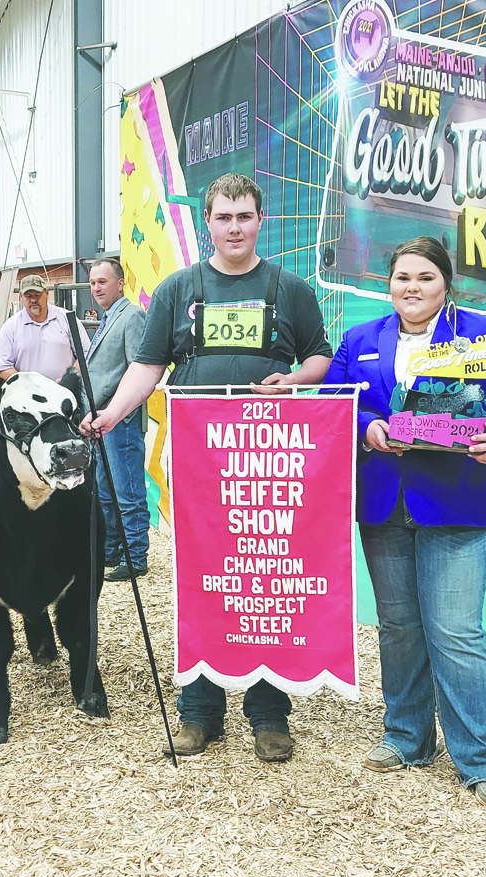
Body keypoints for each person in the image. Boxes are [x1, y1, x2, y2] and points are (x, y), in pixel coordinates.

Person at [81, 173, 333, 762]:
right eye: (224, 218)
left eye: (244, 217)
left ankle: (270, 714)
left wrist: (293, 379)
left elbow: (321, 354)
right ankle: (199, 712)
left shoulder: (290, 288)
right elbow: (147, 367)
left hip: (269, 461)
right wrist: (113, 414)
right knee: (201, 582)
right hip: (198, 461)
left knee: (263, 585)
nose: (235, 228)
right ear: (208, 224)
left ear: (260, 221)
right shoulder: (177, 290)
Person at [324, 236, 486, 807]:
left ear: (446, 283)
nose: (412, 287)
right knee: (398, 628)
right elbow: (334, 401)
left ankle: (482, 760)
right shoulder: (359, 340)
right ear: (388, 283)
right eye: (402, 277)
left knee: (455, 631)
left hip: (456, 501)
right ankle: (406, 737)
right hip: (383, 504)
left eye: (425, 277)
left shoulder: (485, 335)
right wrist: (366, 429)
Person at [87, 259, 150, 580]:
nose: (96, 288)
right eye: (93, 283)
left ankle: (136, 555)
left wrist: (111, 409)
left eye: (103, 282)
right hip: (101, 422)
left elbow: (136, 371)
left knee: (127, 489)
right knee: (106, 489)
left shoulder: (132, 317)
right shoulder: (107, 320)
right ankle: (112, 550)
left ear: (121, 283)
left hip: (121, 421)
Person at [0, 274, 90, 382]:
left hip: (66, 391)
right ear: (21, 296)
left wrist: (69, 379)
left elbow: (86, 353)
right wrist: (31, 386)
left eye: (37, 295)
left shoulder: (67, 319)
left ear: (46, 293)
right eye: (28, 296)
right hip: (27, 394)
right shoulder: (10, 327)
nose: (33, 300)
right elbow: (3, 367)